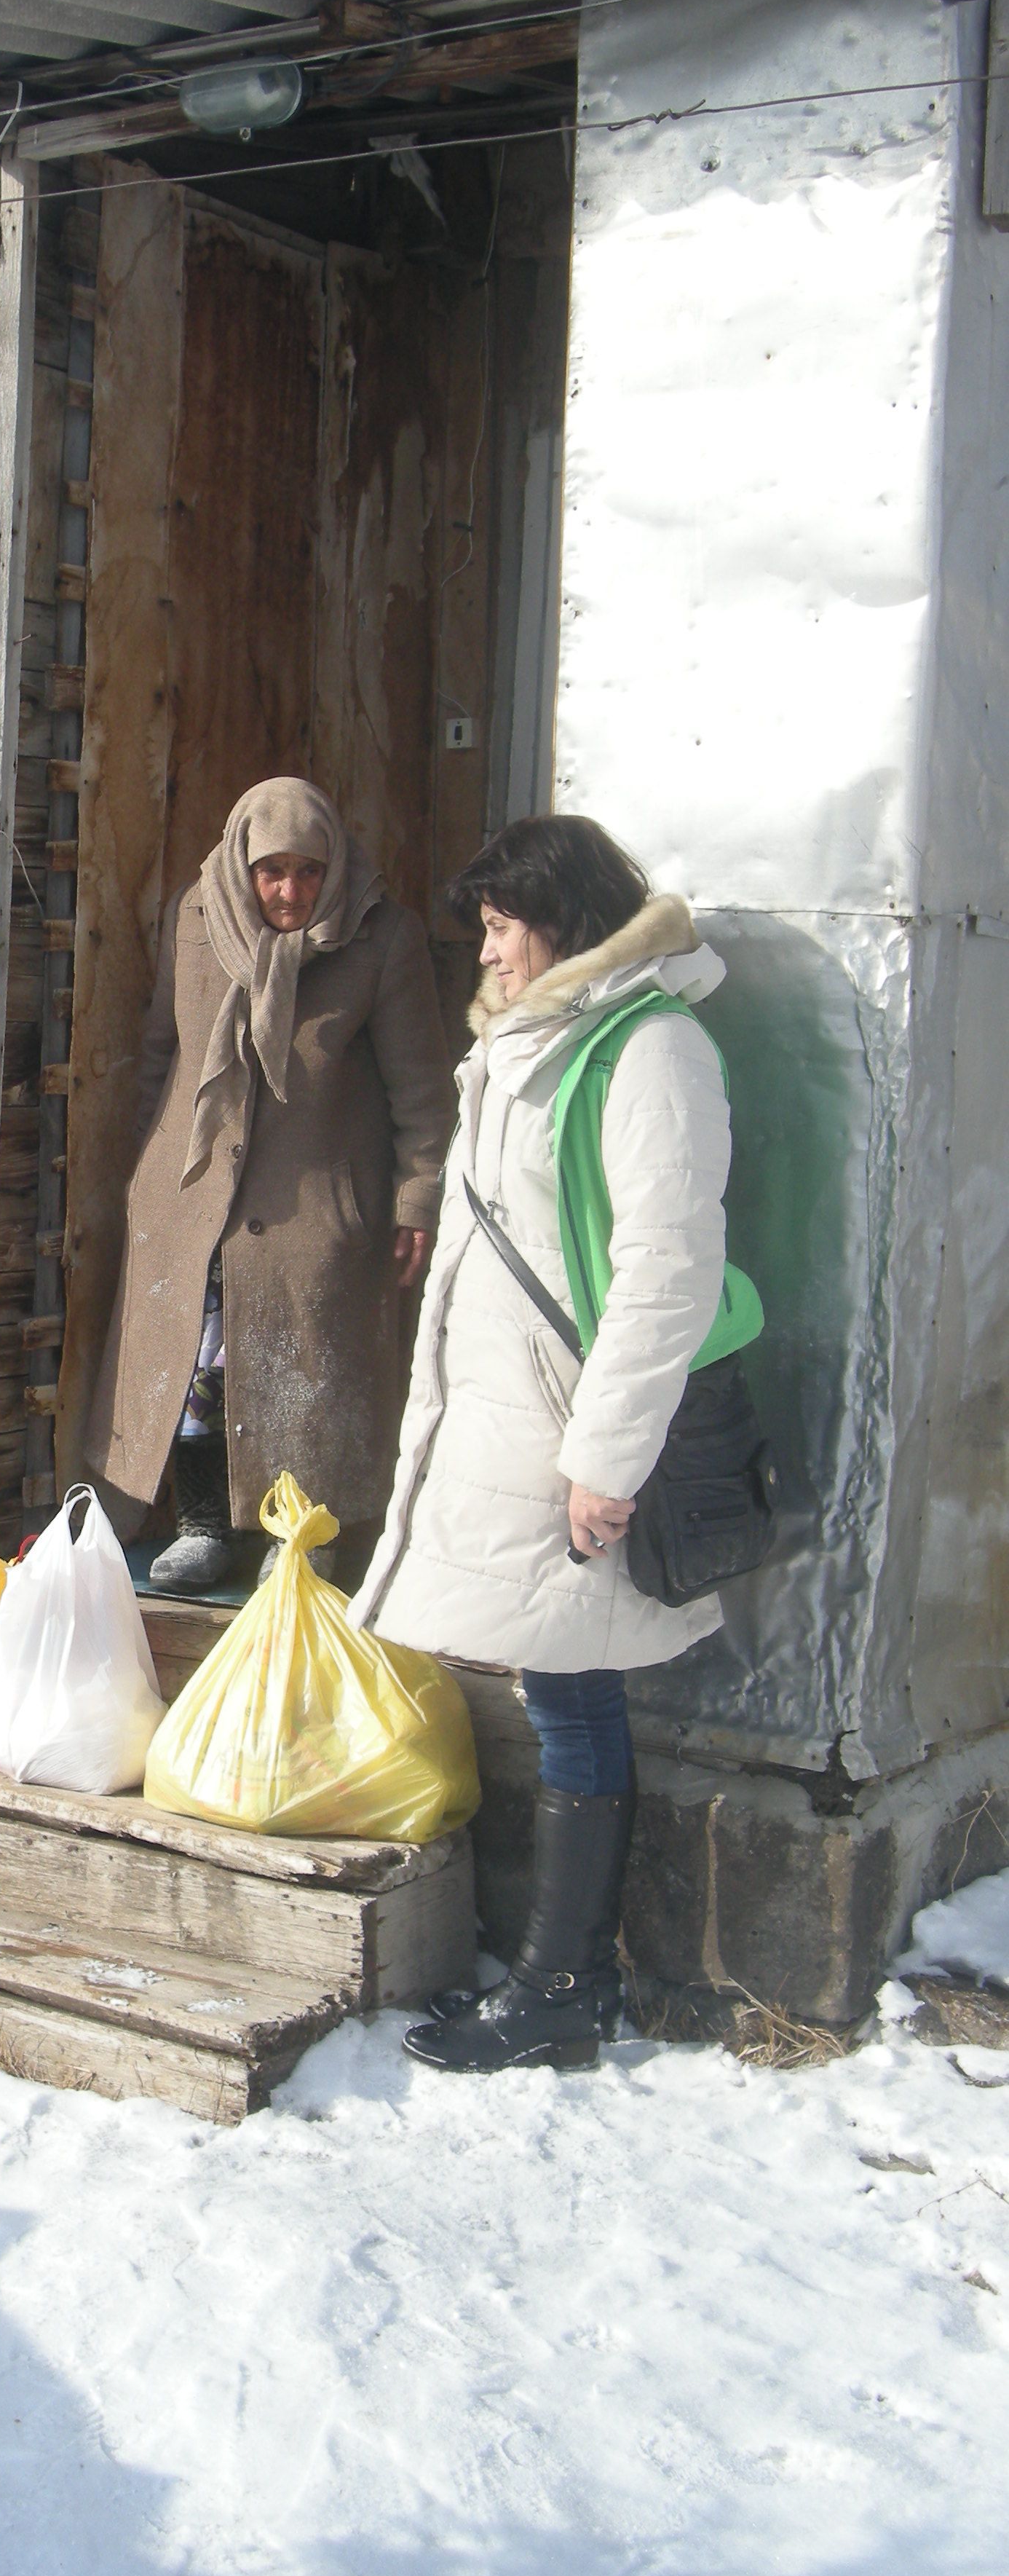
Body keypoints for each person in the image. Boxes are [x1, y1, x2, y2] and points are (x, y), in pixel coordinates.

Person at [350, 815, 748, 2075]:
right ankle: (556, 1979)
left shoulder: (653, 1051)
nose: (490, 953)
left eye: (503, 927)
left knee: (577, 1694)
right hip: (517, 1421)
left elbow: (668, 1270)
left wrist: (606, 1456)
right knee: (563, 1684)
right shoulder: (533, 1043)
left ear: (563, 924)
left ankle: (564, 1985)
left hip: (573, 1431)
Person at [89, 777, 452, 1596]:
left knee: (309, 1371)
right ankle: (204, 1525)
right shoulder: (196, 915)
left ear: (337, 869)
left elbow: (423, 1091)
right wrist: (151, 1176)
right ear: (241, 868)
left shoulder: (384, 939)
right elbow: (163, 1053)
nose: (290, 891)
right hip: (195, 1201)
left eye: (309, 872)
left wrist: (416, 1201)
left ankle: (305, 1539)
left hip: (316, 1210)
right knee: (196, 1372)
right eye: (271, 872)